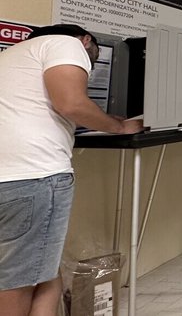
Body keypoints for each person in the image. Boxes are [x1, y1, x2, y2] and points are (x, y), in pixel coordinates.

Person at [0, 24, 143, 316]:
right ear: (86, 41)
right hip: (34, 175)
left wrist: (99, 118)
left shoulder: (13, 56)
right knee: (20, 281)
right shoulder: (67, 44)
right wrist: (118, 126)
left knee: (42, 269)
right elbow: (71, 102)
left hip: (10, 175)